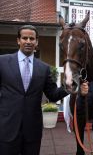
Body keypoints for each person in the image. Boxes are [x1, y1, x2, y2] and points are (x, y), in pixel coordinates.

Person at [0, 25, 68, 155]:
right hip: (6, 127)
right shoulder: (2, 62)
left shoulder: (44, 68)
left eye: (32, 38)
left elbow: (53, 95)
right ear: (18, 40)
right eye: (24, 38)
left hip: (32, 130)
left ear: (37, 42)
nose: (28, 41)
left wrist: (69, 86)